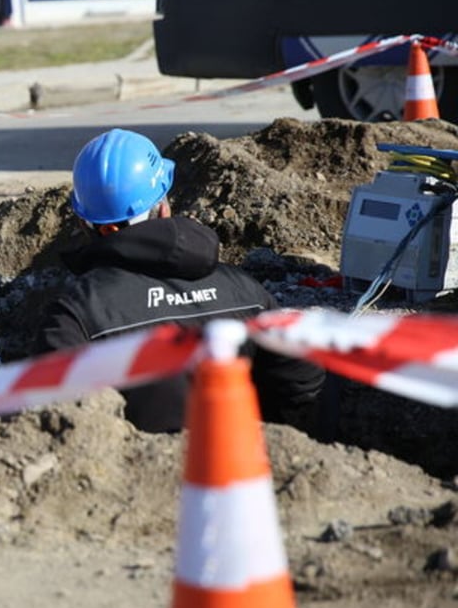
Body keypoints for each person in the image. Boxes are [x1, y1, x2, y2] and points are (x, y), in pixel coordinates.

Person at [35, 128, 325, 433]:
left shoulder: (75, 315)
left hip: (138, 476)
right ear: (163, 206)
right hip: (239, 466)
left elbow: (57, 416)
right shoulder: (245, 290)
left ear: (85, 223)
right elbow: (302, 378)